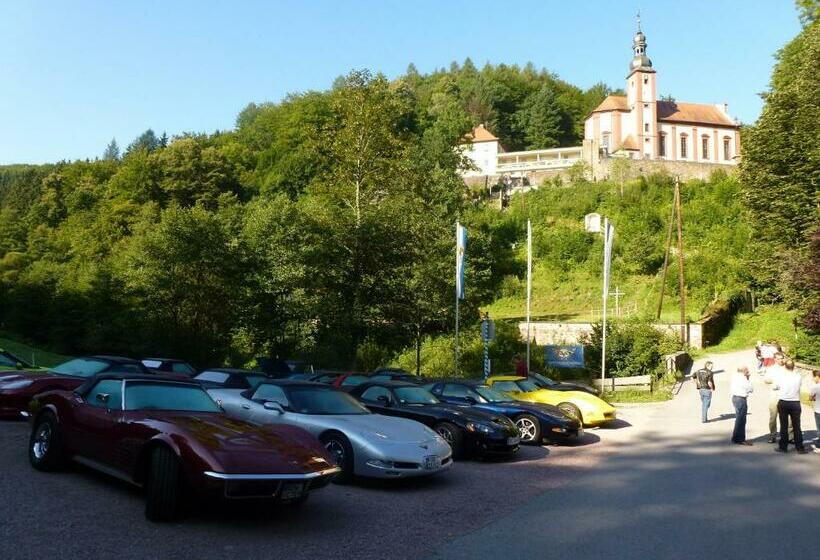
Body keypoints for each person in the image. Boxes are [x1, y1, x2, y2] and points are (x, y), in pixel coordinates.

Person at [774, 359, 807, 454]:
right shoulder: (798, 376)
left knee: (783, 426)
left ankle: (783, 447)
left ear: (785, 366)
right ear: (794, 366)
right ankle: (800, 447)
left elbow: (775, 386)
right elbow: (799, 385)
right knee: (797, 425)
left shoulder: (781, 376)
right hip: (795, 402)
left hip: (783, 401)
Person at [764, 353, 792, 443]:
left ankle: (790, 436)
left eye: (782, 358)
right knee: (773, 416)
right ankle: (773, 435)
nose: (781, 360)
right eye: (779, 359)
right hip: (775, 394)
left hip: (786, 394)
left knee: (789, 416)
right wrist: (773, 381)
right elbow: (766, 380)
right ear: (775, 359)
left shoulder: (786, 368)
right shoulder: (771, 369)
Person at [730, 366, 754, 445]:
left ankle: (735, 437)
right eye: (747, 371)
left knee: (738, 419)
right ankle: (740, 439)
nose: (748, 373)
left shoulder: (735, 376)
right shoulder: (743, 378)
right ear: (744, 371)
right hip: (741, 399)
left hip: (735, 397)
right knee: (742, 419)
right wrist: (748, 378)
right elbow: (750, 389)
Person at [810, 369, 820, 453]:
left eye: (813, 377)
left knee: (819, 429)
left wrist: (814, 397)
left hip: (818, 410)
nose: (813, 379)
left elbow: (810, 398)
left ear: (817, 377)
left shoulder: (815, 386)